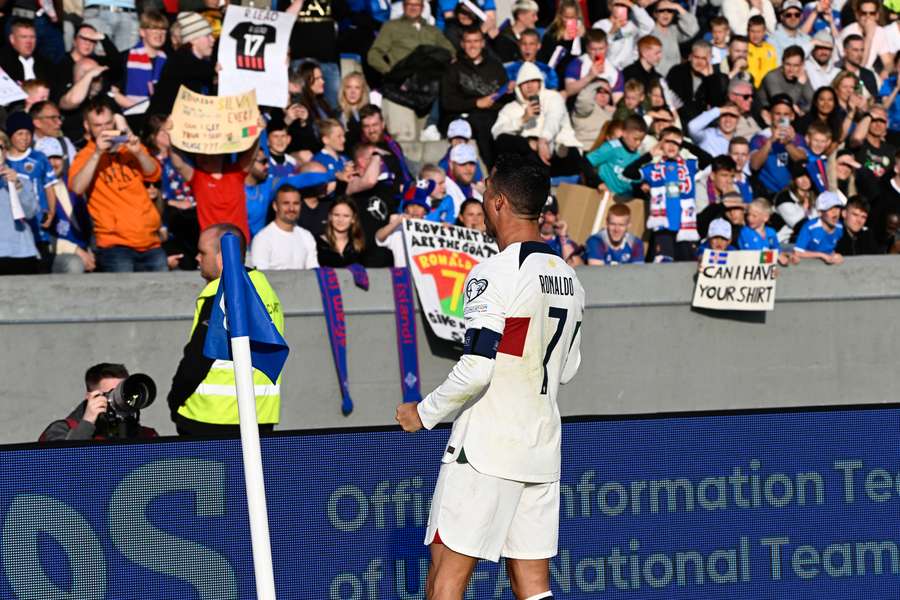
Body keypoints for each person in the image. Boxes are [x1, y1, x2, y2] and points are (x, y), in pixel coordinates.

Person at [395, 153, 583, 600]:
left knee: (446, 578)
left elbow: (478, 368)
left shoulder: (493, 272)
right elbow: (569, 368)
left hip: (486, 449)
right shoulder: (569, 276)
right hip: (540, 446)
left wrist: (424, 412)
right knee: (534, 587)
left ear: (498, 202)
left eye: (484, 193)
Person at [167, 223, 283, 436]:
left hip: (209, 417)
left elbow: (198, 359)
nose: (197, 258)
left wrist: (175, 399)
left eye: (203, 253)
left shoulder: (219, 294)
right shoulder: (265, 290)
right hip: (259, 415)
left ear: (222, 256)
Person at [69, 98, 165, 272]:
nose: (105, 130)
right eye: (98, 125)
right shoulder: (85, 155)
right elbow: (77, 187)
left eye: (108, 123)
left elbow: (154, 173)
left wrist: (138, 153)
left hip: (150, 241)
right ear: (87, 126)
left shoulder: (128, 146)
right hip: (114, 245)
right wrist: (98, 153)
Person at [624, 126, 709, 262]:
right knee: (664, 267)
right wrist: (649, 155)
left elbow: (707, 159)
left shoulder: (689, 166)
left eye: (675, 143)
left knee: (686, 268)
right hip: (664, 229)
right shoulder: (653, 169)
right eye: (667, 141)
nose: (672, 146)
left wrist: (686, 144)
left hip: (685, 228)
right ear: (661, 144)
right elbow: (628, 172)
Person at [491, 63, 584, 179]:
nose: (529, 86)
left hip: (555, 148)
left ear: (540, 82)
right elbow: (497, 132)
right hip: (529, 153)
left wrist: (543, 141)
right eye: (525, 82)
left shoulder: (553, 97)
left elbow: (553, 118)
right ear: (518, 86)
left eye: (533, 81)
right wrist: (523, 119)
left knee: (568, 151)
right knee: (504, 139)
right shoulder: (510, 108)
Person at [441, 26, 508, 169]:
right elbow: (447, 102)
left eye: (476, 41)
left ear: (483, 43)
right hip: (466, 114)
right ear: (462, 44)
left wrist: (510, 91)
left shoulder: (495, 66)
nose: (472, 46)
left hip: (494, 112)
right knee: (482, 123)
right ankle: (494, 170)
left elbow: (504, 98)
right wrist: (476, 103)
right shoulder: (454, 68)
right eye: (468, 41)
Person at [40, 363, 158, 442]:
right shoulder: (61, 430)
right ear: (90, 397)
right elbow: (60, 466)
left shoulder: (146, 436)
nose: (121, 399)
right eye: (112, 393)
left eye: (124, 391)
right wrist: (87, 423)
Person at [36, 137, 95, 274]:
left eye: (56, 157)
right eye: (46, 159)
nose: (52, 163)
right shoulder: (37, 190)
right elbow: (42, 235)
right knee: (73, 263)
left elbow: (89, 223)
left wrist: (91, 250)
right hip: (56, 253)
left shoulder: (74, 184)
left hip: (85, 249)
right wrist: (75, 250)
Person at [148, 12, 216, 117]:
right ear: (194, 39)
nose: (212, 40)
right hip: (163, 123)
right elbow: (194, 71)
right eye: (207, 36)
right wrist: (214, 71)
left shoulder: (202, 62)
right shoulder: (179, 61)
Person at [749, 94, 808, 198]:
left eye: (786, 114)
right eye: (777, 114)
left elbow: (802, 160)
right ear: (770, 115)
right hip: (767, 193)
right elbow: (754, 165)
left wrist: (787, 144)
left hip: (792, 193)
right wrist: (770, 141)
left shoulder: (798, 139)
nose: (781, 118)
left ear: (792, 116)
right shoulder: (759, 138)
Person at [250, 184, 319, 270]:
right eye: (286, 203)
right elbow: (259, 278)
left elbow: (313, 273)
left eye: (296, 203)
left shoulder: (306, 236)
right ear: (275, 206)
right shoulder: (263, 239)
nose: (291, 208)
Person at [0, 131, 39, 275]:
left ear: (5, 152)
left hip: (21, 253)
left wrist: (17, 186)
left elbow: (30, 213)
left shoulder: (21, 181)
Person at [587, 114, 647, 197]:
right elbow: (586, 162)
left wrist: (642, 186)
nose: (638, 143)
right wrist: (598, 183)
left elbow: (634, 182)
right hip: (605, 196)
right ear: (625, 133)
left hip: (623, 200)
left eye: (641, 140)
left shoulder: (637, 156)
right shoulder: (612, 147)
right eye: (635, 139)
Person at [375, 182, 431, 267]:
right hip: (403, 277)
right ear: (406, 209)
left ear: (425, 211)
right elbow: (379, 237)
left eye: (419, 206)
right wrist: (396, 222)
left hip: (424, 278)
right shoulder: (398, 228)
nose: (415, 209)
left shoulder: (432, 230)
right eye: (412, 205)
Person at [591, 0, 655, 72]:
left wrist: (631, 5)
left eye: (624, 5)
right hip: (610, 70)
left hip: (629, 70)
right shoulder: (599, 25)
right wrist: (612, 32)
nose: (621, 7)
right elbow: (598, 52)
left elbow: (649, 25)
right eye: (617, 4)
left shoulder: (632, 25)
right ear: (610, 7)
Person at [756, 46, 814, 116]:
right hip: (764, 114)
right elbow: (782, 104)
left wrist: (802, 111)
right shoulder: (772, 76)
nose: (791, 70)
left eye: (795, 65)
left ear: (802, 65)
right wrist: (799, 84)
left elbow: (814, 102)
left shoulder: (801, 75)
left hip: (787, 115)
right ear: (782, 63)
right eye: (788, 64)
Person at [737, 197, 794, 265]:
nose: (749, 218)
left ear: (765, 218)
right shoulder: (745, 232)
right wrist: (775, 256)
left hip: (763, 268)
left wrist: (785, 255)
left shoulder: (771, 232)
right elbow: (753, 255)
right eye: (748, 214)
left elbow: (776, 249)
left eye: (754, 216)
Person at [793, 190, 844, 264]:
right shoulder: (810, 227)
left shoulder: (840, 227)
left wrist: (836, 255)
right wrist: (822, 256)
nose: (835, 213)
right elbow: (798, 252)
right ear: (820, 213)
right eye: (830, 209)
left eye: (837, 208)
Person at [650, 0, 698, 77]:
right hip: (657, 79)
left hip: (675, 78)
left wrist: (677, 7)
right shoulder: (648, 31)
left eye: (669, 10)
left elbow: (692, 30)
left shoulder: (673, 30)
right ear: (655, 14)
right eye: (661, 10)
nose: (666, 14)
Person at [316, 196, 367, 266]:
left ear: (353, 219)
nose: (340, 220)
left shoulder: (359, 246)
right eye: (336, 215)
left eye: (346, 216)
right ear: (330, 217)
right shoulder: (317, 244)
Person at [0, 19, 53, 84]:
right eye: (24, 37)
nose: (29, 41)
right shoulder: (3, 64)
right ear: (12, 39)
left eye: (32, 37)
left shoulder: (46, 64)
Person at [746, 15, 779, 88]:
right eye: (752, 31)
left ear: (764, 32)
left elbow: (774, 70)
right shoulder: (744, 48)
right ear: (747, 31)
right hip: (749, 86)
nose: (755, 35)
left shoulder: (770, 49)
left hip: (767, 87)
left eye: (759, 32)